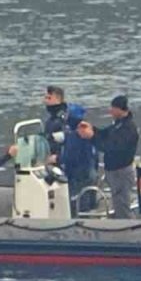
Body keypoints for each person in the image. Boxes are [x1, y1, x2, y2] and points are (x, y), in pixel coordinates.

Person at [78, 95, 140, 218]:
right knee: (118, 202)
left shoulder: (128, 129)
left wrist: (92, 137)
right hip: (113, 171)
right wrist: (92, 129)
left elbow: (110, 147)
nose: (110, 111)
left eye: (113, 108)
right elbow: (105, 134)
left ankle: (127, 228)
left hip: (121, 171)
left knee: (122, 205)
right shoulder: (118, 125)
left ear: (120, 109)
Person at [44, 86, 97, 214]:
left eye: (48, 97)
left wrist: (56, 158)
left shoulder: (75, 134)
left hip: (77, 173)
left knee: (77, 202)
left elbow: (72, 156)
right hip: (85, 170)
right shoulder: (83, 131)